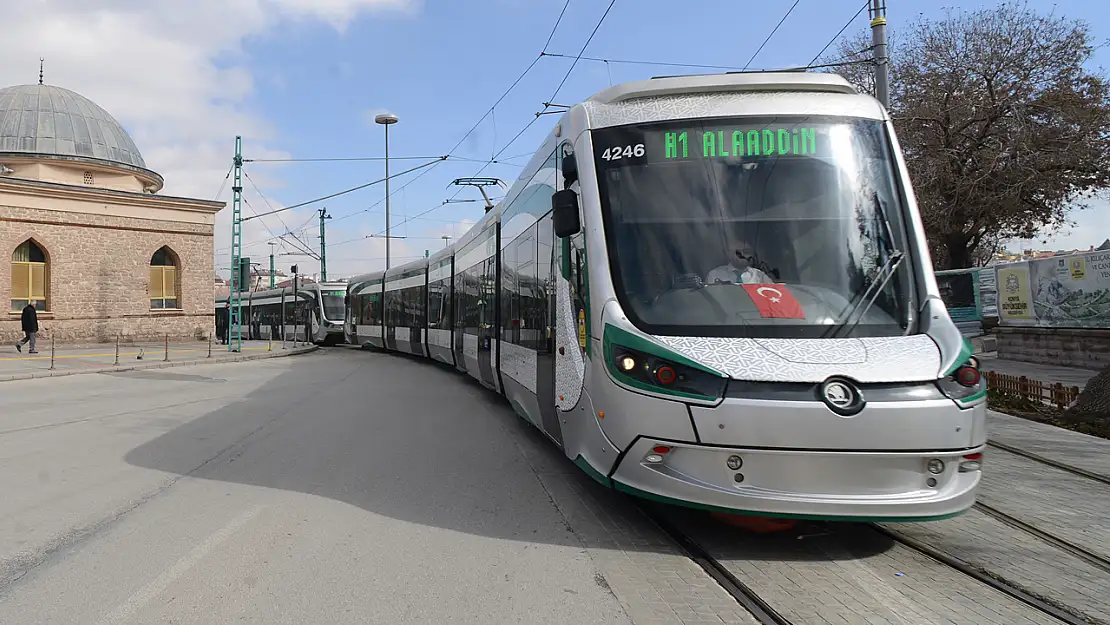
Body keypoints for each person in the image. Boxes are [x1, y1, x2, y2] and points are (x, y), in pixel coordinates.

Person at [706, 237, 774, 285]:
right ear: (729, 254)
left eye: (746, 251)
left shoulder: (760, 276)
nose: (742, 255)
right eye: (738, 252)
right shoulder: (715, 275)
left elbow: (773, 295)